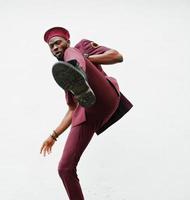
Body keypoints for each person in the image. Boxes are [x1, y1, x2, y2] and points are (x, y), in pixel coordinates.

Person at [40, 27, 133, 200]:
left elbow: (117, 56)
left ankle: (80, 71)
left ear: (67, 41)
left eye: (58, 43)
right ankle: (79, 79)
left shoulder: (79, 47)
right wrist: (53, 136)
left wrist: (85, 58)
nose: (55, 48)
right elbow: (72, 110)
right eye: (51, 47)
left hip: (104, 96)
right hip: (87, 114)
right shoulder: (65, 78)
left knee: (72, 54)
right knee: (65, 168)